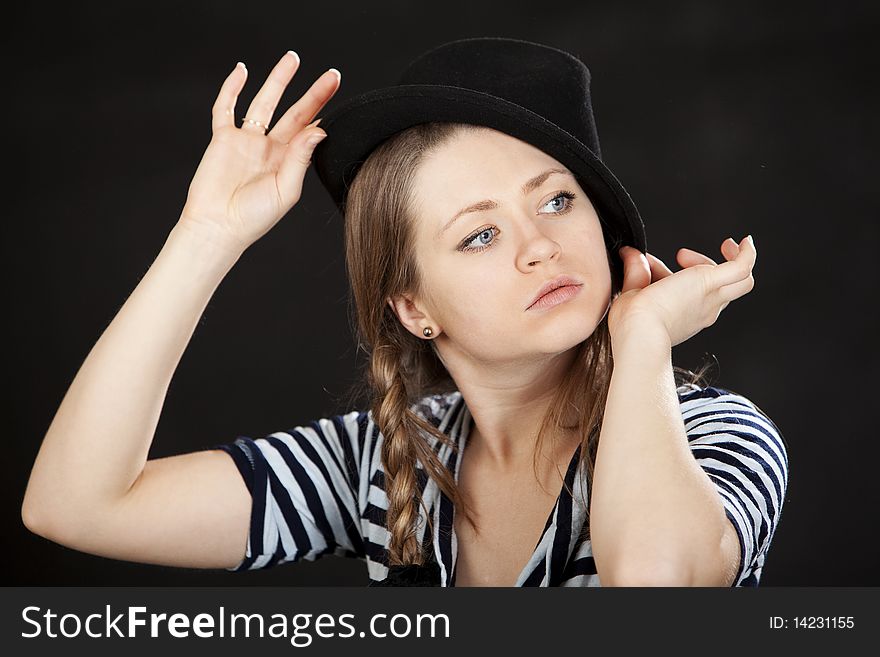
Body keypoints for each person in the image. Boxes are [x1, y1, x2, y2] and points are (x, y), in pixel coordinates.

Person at [21, 37, 788, 587]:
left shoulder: (714, 435)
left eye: (557, 199)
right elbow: (76, 505)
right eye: (480, 233)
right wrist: (205, 237)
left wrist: (645, 338)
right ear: (415, 307)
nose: (539, 247)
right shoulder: (390, 460)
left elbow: (657, 589)